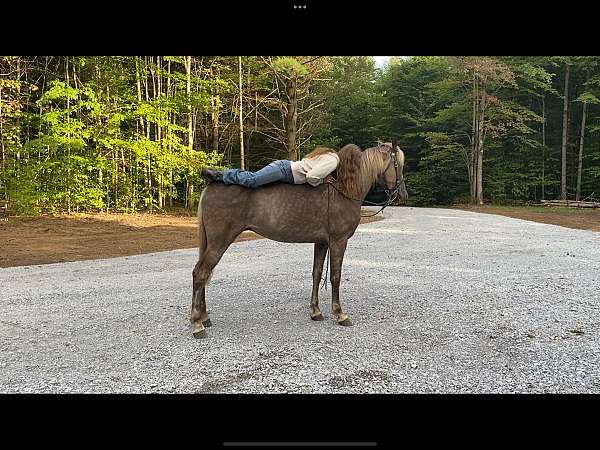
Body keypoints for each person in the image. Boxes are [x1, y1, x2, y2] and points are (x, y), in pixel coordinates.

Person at [201, 147, 339, 189]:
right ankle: (218, 175)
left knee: (252, 177)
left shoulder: (329, 155)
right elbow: (311, 177)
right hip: (284, 170)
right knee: (252, 180)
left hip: (286, 171)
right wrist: (322, 181)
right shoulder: (334, 160)